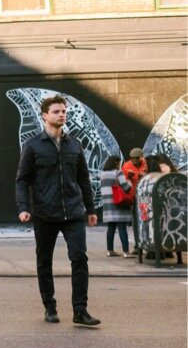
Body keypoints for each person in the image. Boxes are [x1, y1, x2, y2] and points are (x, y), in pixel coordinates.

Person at [15, 95, 101, 326]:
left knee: (79, 258)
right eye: (56, 111)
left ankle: (80, 310)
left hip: (73, 212)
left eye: (64, 111)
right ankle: (50, 307)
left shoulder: (75, 144)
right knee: (44, 261)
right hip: (44, 213)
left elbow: (84, 178)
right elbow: (22, 180)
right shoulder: (32, 146)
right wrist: (24, 207)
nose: (62, 114)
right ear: (44, 115)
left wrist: (90, 208)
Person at [99, 156, 133, 258]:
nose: (120, 165)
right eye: (119, 163)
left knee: (111, 228)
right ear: (115, 163)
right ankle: (126, 252)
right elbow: (126, 187)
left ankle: (110, 250)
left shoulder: (103, 174)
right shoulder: (118, 173)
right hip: (118, 204)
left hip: (108, 205)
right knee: (122, 228)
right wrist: (130, 181)